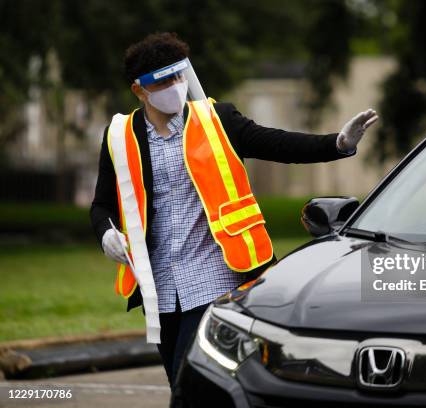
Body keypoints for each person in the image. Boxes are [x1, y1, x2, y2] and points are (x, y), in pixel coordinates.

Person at [89, 32, 377, 394]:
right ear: (139, 91)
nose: (175, 87)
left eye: (179, 76)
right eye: (162, 82)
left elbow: (276, 142)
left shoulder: (216, 119)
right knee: (185, 382)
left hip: (215, 278)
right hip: (159, 287)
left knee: (189, 386)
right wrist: (106, 233)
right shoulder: (120, 136)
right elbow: (102, 205)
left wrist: (337, 143)